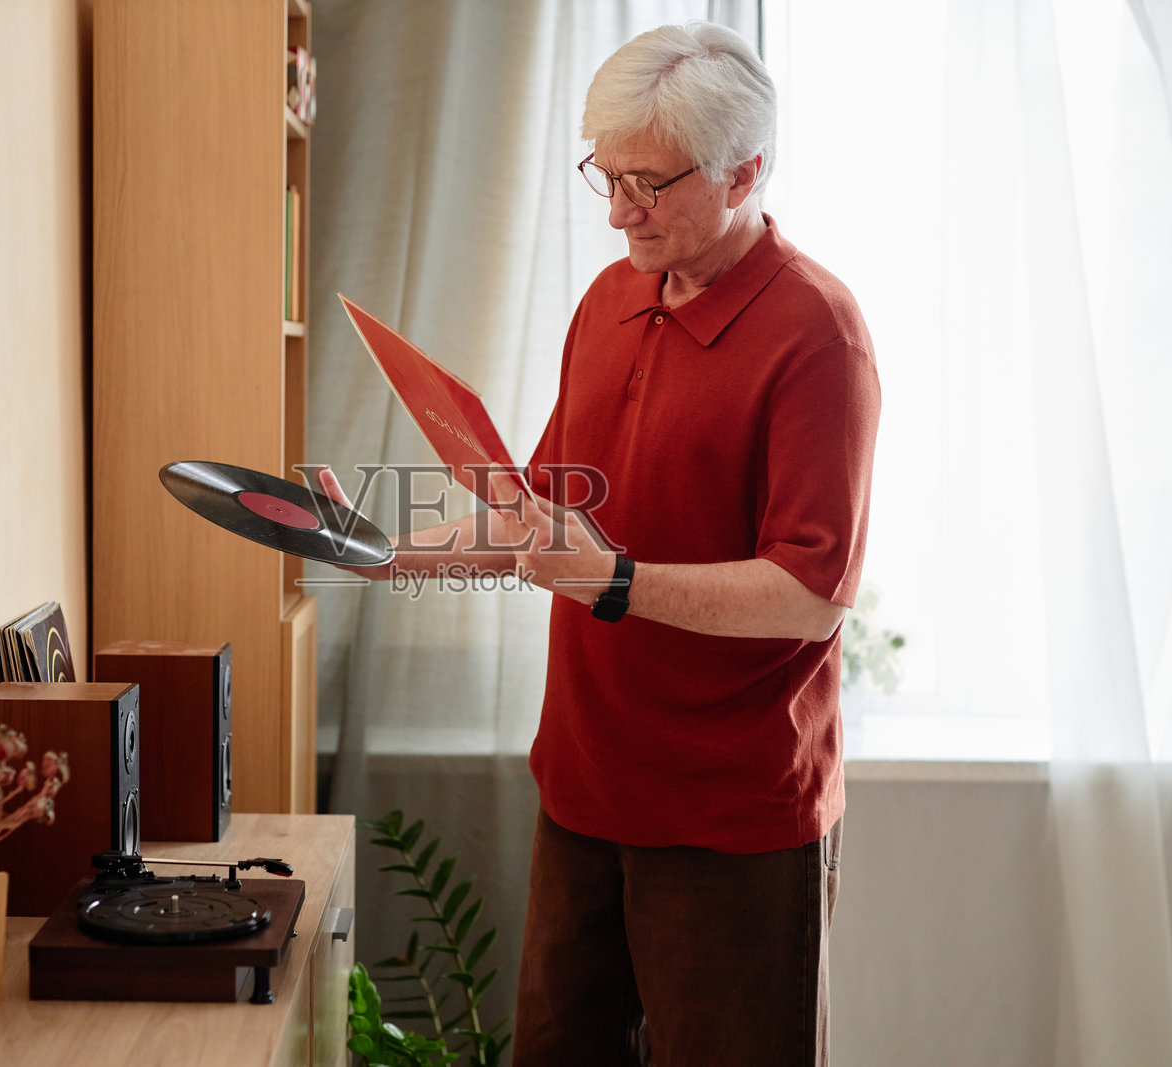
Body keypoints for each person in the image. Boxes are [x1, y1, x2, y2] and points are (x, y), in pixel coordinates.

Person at [320, 21, 879, 1067]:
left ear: (744, 170)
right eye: (604, 176)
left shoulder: (819, 333)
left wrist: (615, 580)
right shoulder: (611, 296)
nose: (619, 212)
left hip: (733, 820)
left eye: (649, 185)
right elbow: (535, 518)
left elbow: (808, 592)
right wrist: (378, 550)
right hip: (583, 788)